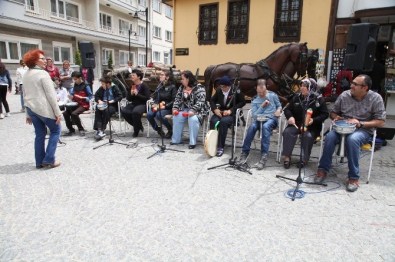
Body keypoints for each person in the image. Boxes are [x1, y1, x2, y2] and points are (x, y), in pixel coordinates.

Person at [314, 74, 386, 192]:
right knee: (330, 137)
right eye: (352, 83)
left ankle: (353, 177)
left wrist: (360, 123)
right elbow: (332, 113)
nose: (351, 86)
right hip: (342, 127)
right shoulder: (344, 95)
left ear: (365, 88)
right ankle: (322, 170)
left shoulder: (376, 98)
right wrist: (336, 117)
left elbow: (381, 121)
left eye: (355, 84)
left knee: (352, 139)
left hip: (362, 129)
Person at [22, 49, 62, 168]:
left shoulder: (26, 74)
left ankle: (39, 162)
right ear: (35, 60)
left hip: (31, 109)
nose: (45, 61)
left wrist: (27, 114)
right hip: (42, 108)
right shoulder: (43, 74)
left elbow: (25, 94)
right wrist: (57, 113)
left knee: (39, 135)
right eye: (42, 59)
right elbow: (51, 95)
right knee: (56, 130)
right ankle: (49, 159)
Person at [282, 78, 329, 169]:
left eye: (305, 86)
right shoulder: (296, 97)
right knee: (288, 132)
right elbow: (287, 109)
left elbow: (325, 114)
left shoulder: (318, 99)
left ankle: (304, 159)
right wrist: (290, 117)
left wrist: (314, 120)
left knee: (307, 136)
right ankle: (287, 157)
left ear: (311, 88)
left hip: (311, 126)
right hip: (296, 123)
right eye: (301, 86)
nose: (302, 88)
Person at [237, 79, 282, 170]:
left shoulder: (273, 95)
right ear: (256, 89)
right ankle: (244, 153)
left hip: (271, 118)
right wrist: (262, 106)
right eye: (259, 92)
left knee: (265, 127)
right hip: (259, 118)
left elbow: (279, 105)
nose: (261, 94)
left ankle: (264, 156)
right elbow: (254, 115)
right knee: (252, 127)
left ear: (266, 88)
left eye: (263, 92)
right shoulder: (255, 99)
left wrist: (278, 110)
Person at [171, 70, 209, 149]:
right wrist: (175, 108)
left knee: (193, 119)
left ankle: (192, 142)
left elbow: (201, 102)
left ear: (188, 79)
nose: (181, 81)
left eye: (182, 79)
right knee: (177, 117)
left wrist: (193, 110)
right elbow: (177, 99)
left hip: (199, 110)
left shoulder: (199, 88)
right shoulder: (182, 87)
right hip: (185, 109)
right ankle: (176, 140)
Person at [209, 75, 245, 157]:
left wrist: (231, 110)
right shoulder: (219, 90)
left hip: (231, 114)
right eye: (220, 86)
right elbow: (212, 100)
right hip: (220, 112)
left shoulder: (236, 90)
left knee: (223, 122)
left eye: (223, 87)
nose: (222, 88)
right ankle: (212, 143)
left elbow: (242, 102)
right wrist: (215, 109)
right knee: (213, 121)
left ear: (229, 86)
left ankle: (220, 146)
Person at [147, 70, 177, 138]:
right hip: (159, 106)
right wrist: (155, 103)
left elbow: (174, 100)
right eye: (160, 74)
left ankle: (170, 129)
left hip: (168, 107)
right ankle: (158, 129)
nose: (160, 76)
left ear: (167, 77)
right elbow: (156, 97)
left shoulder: (173, 87)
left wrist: (165, 106)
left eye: (162, 75)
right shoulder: (160, 86)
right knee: (149, 114)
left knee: (159, 115)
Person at [121, 69, 150, 137]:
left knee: (135, 112)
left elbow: (147, 98)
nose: (132, 76)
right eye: (131, 75)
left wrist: (137, 94)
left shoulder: (144, 86)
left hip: (142, 104)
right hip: (134, 104)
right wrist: (130, 94)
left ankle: (136, 131)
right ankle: (139, 126)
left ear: (139, 77)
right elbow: (128, 99)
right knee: (124, 111)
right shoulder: (132, 85)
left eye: (133, 75)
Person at [63, 71, 93, 136]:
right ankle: (71, 129)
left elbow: (91, 97)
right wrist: (70, 96)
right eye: (73, 79)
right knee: (65, 113)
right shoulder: (75, 85)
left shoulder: (86, 85)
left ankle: (81, 129)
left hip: (84, 104)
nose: (74, 81)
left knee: (74, 114)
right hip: (76, 103)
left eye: (75, 79)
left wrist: (83, 97)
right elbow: (72, 93)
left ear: (80, 78)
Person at [93, 76, 123, 141]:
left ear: (108, 84)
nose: (102, 85)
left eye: (103, 84)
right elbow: (96, 95)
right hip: (103, 103)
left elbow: (120, 96)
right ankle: (99, 129)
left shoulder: (114, 87)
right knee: (98, 110)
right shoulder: (101, 88)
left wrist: (111, 101)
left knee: (106, 111)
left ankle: (102, 129)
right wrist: (99, 101)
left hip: (112, 104)